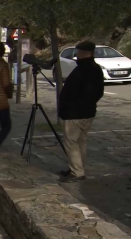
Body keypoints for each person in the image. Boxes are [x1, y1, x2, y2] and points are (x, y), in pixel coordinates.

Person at [58, 41, 104, 183]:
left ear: (84, 53)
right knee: (81, 142)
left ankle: (77, 172)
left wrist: (70, 105)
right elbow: (99, 92)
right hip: (88, 112)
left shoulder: (82, 70)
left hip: (75, 113)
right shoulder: (96, 69)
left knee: (72, 142)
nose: (76, 55)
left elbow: (73, 92)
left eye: (78, 52)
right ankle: (78, 168)